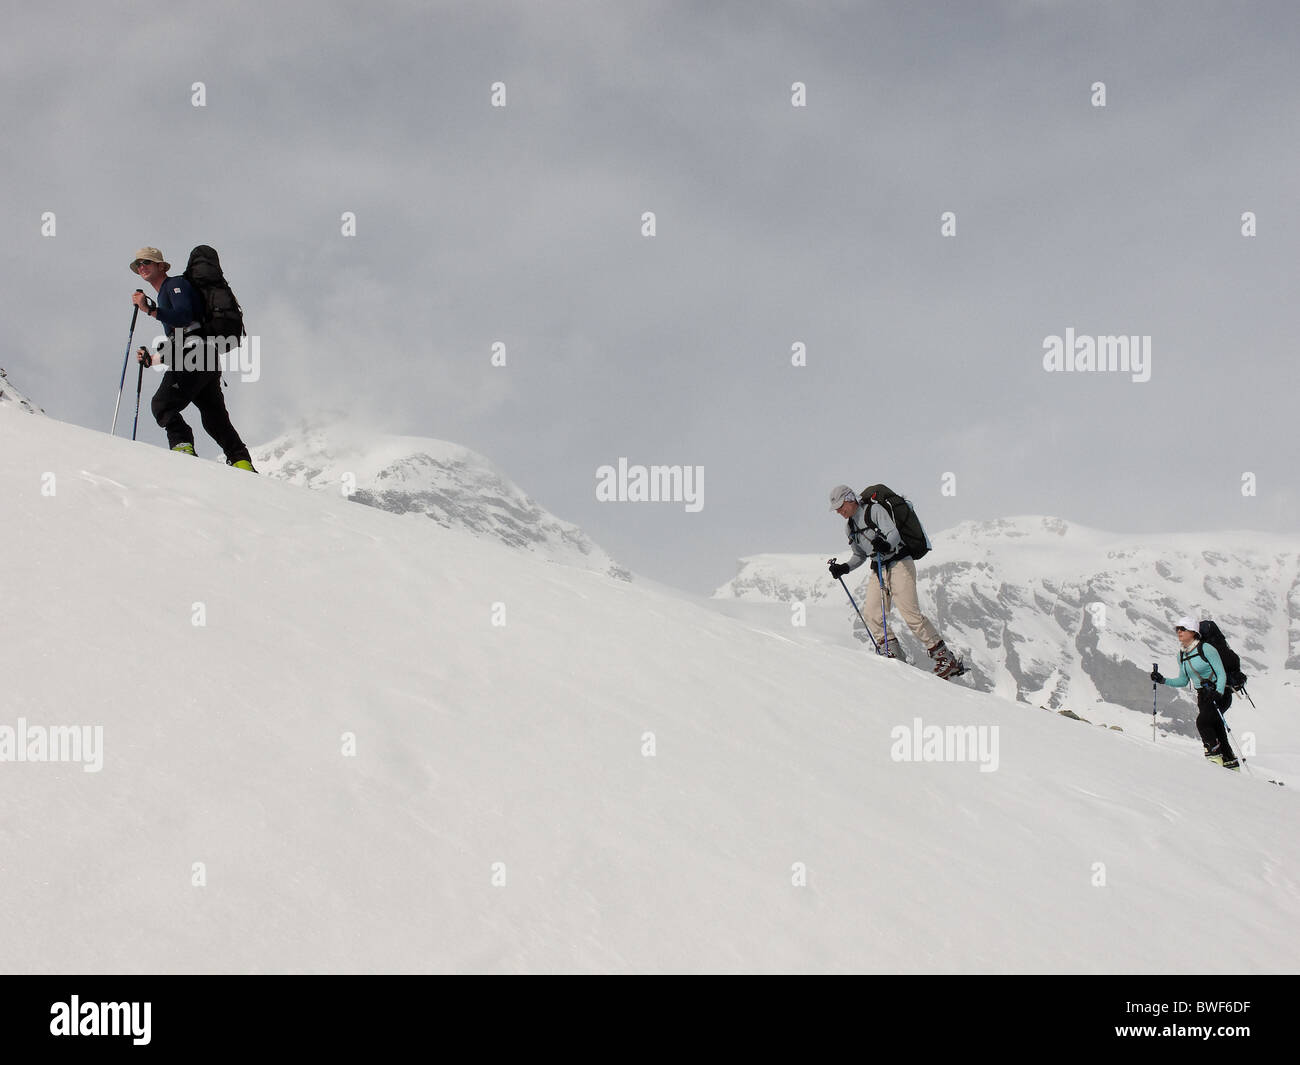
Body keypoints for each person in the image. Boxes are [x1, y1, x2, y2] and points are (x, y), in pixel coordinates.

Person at [128, 247, 256, 472]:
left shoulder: (174, 284)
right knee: (215, 419)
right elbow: (183, 336)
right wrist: (152, 360)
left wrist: (150, 310)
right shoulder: (165, 293)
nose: (142, 267)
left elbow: (185, 316)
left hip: (196, 356)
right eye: (138, 265)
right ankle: (241, 461)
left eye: (147, 262)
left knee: (162, 404)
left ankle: (183, 448)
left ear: (161, 266)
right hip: (203, 358)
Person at [826, 484, 964, 678]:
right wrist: (844, 568)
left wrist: (885, 543)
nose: (840, 511)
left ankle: (945, 659)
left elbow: (893, 534)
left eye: (841, 506)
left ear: (850, 498)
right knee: (872, 614)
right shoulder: (850, 528)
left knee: (910, 613)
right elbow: (859, 555)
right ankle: (894, 658)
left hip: (899, 561)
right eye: (837, 509)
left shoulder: (873, 510)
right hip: (878, 567)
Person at [1151, 617, 1238, 769]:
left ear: (1193, 631)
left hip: (1220, 693)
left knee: (1202, 722)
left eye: (1183, 628)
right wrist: (1162, 680)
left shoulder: (1207, 649)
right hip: (1203, 696)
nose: (1179, 631)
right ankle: (1230, 762)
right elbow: (1183, 681)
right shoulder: (1181, 655)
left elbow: (1221, 673)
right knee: (1216, 727)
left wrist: (1218, 692)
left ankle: (1214, 758)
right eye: (1177, 628)